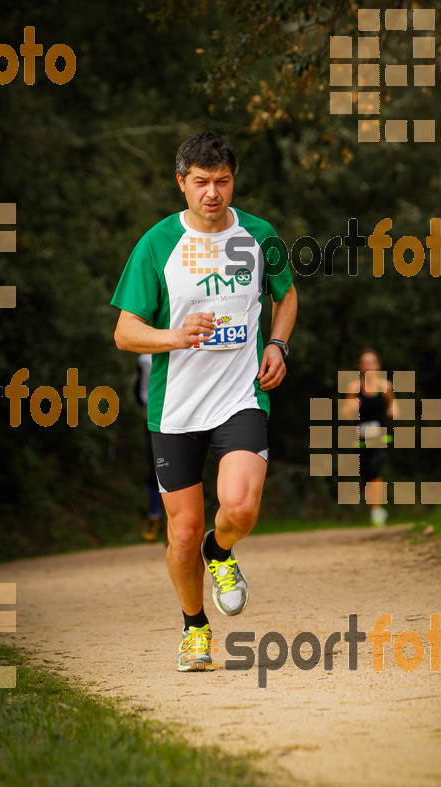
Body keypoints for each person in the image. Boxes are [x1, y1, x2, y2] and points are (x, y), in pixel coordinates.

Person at [111, 132, 297, 672]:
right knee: (183, 530)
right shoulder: (157, 244)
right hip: (176, 409)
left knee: (239, 507)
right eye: (201, 183)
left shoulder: (260, 235)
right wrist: (175, 336)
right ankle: (194, 627)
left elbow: (285, 295)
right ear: (182, 184)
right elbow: (124, 332)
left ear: (232, 180)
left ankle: (221, 551)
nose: (212, 193)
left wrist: (278, 344)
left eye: (222, 181)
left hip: (241, 396)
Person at [341, 349, 399, 527]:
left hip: (380, 434)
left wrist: (394, 411)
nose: (369, 366)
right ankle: (376, 508)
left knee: (374, 469)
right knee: (367, 474)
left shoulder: (386, 386)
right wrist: (352, 407)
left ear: (378, 365)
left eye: (372, 362)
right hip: (361, 435)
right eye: (365, 363)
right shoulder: (354, 387)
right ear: (361, 366)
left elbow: (394, 405)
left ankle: (376, 510)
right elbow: (344, 413)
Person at [133, 353, 163, 542]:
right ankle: (154, 516)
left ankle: (176, 523)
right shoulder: (144, 357)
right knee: (154, 470)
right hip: (153, 415)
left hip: (184, 415)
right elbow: (137, 388)